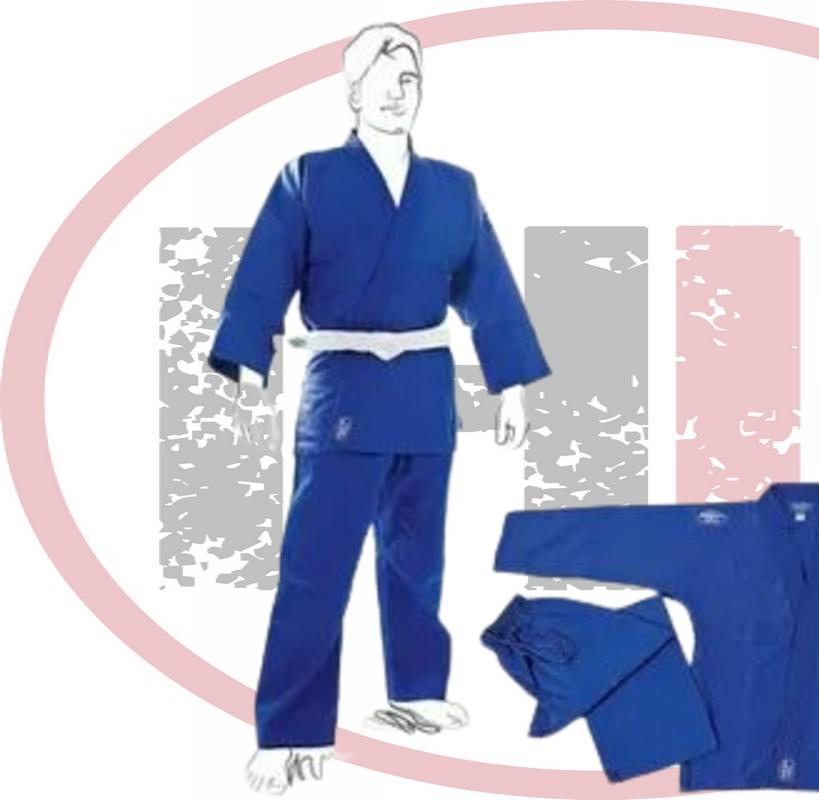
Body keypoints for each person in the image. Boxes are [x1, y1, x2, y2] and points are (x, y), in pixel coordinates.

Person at [208, 23, 552, 794]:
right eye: (384, 77)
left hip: (426, 391)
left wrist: (513, 386)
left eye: (411, 78)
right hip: (345, 391)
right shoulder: (309, 176)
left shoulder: (453, 188)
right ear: (353, 89)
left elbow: (489, 288)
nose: (400, 91)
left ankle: (416, 692)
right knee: (316, 567)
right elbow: (266, 269)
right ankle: (291, 729)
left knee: (417, 558)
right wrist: (248, 355)